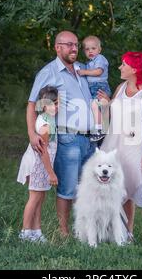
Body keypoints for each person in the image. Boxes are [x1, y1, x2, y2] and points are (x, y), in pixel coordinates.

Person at [26, 31, 96, 237]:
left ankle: (83, 231)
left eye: (76, 44)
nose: (74, 48)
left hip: (89, 139)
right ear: (57, 47)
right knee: (67, 189)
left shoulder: (82, 70)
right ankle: (64, 233)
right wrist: (32, 133)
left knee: (86, 189)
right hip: (68, 138)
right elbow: (32, 104)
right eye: (69, 45)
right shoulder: (49, 72)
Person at [98, 51, 142, 249]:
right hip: (116, 146)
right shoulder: (120, 88)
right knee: (122, 190)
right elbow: (108, 119)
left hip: (138, 148)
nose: (120, 67)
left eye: (124, 64)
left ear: (135, 69)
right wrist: (105, 105)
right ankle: (126, 234)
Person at [17, 86, 59, 242]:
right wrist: (51, 173)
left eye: (57, 102)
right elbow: (43, 151)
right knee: (34, 198)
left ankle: (36, 231)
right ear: (43, 105)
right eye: (51, 103)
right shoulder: (45, 125)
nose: (55, 106)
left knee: (40, 198)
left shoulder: (50, 119)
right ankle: (25, 232)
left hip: (42, 164)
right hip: (38, 164)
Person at [76, 35, 111, 143]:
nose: (90, 51)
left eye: (93, 48)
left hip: (100, 86)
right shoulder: (89, 63)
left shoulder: (100, 58)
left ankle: (100, 130)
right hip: (94, 87)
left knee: (95, 105)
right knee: (95, 107)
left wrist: (84, 72)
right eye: (87, 49)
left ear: (99, 49)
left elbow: (98, 72)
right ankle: (101, 128)